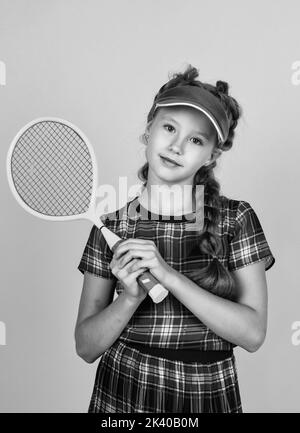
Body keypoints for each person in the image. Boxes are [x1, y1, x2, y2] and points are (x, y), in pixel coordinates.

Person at [75, 64, 275, 413]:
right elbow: (86, 346)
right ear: (149, 128)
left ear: (212, 155)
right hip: (124, 394)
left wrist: (167, 275)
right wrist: (129, 298)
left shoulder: (236, 219)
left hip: (207, 395)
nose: (177, 146)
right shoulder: (111, 227)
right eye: (169, 127)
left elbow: (253, 334)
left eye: (195, 140)